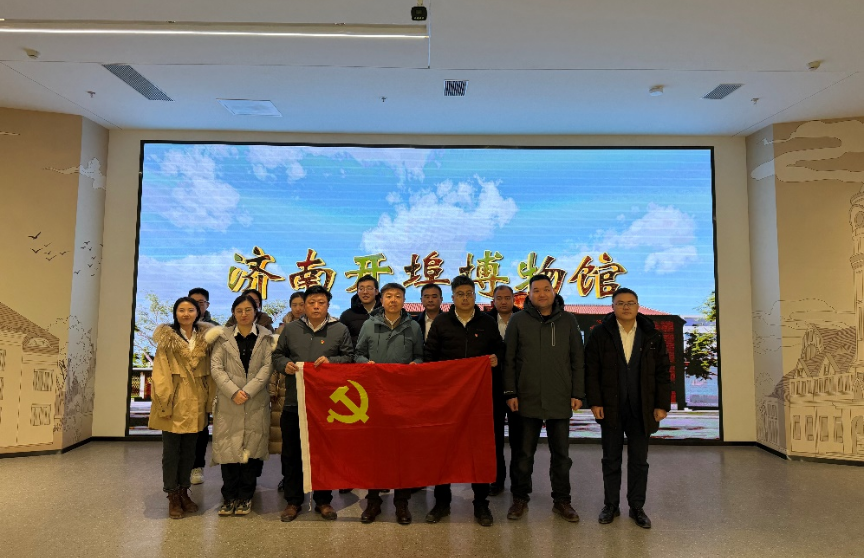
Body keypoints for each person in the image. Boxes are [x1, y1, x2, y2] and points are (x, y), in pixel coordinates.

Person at [584, 287, 671, 529]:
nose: (625, 307)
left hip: (642, 408)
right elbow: (591, 370)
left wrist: (661, 405)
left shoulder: (652, 334)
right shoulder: (600, 333)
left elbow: (663, 372)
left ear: (638, 306)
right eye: (620, 303)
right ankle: (610, 505)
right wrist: (595, 402)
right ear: (612, 307)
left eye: (630, 303)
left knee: (639, 461)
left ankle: (637, 507)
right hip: (611, 407)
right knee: (610, 459)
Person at [504, 275, 585, 523]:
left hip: (560, 397)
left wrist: (577, 392)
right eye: (536, 290)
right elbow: (509, 360)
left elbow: (577, 359)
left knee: (561, 456)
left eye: (546, 289)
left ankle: (562, 501)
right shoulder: (518, 320)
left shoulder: (568, 320)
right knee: (523, 454)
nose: (541, 294)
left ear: (554, 291)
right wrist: (510, 392)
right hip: (526, 398)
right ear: (529, 295)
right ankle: (520, 498)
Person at [423, 275, 502, 527]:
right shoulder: (441, 322)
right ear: (453, 297)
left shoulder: (487, 322)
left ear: (475, 296)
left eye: (469, 294)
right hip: (447, 399)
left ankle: (481, 503)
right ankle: (441, 502)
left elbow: (500, 349)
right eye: (460, 294)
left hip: (479, 398)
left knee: (479, 449)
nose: (465, 298)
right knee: (444, 449)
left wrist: (496, 359)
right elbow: (429, 356)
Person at [271, 285, 354, 522]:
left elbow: (349, 357)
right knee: (291, 454)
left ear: (328, 305)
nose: (316, 307)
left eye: (321, 302)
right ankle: (293, 501)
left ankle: (323, 500)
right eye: (311, 302)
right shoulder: (291, 329)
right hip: (294, 402)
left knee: (323, 453)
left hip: (326, 404)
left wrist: (332, 362)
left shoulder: (340, 329)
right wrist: (284, 365)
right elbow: (277, 355)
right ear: (304, 305)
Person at [354, 283, 424, 525]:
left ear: (404, 300)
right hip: (375, 396)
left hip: (403, 396)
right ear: (381, 299)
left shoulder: (413, 327)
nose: (393, 300)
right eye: (388, 296)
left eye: (397, 296)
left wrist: (416, 364)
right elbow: (357, 354)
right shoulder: (369, 325)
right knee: (375, 450)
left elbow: (420, 356)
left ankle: (401, 502)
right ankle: (373, 501)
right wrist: (366, 364)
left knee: (402, 450)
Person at [148, 296, 219, 519]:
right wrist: (165, 402)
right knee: (171, 452)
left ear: (198, 312)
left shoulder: (205, 339)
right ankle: (172, 495)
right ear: (175, 313)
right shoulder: (167, 340)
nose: (186, 314)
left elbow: (211, 374)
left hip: (197, 401)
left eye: (190, 310)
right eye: (181, 310)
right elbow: (160, 373)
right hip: (175, 400)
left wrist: (211, 402)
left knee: (190, 451)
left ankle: (183, 491)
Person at [209, 294, 276, 516]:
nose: (244, 314)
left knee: (251, 449)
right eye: (239, 310)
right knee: (228, 449)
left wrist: (247, 392)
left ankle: (246, 496)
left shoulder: (266, 337)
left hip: (255, 401)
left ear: (256, 312)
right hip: (229, 402)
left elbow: (267, 368)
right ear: (233, 313)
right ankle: (229, 497)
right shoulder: (222, 337)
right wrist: (233, 391)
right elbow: (216, 367)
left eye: (248, 310)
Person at [486, 284, 522, 497]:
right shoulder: (486, 321)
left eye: (507, 298)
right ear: (493, 301)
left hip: (518, 388)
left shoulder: (523, 319)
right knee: (494, 438)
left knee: (518, 438)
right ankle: (496, 480)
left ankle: (519, 483)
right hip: (492, 387)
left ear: (513, 299)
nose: (503, 302)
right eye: (499, 298)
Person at [269, 291, 305, 493]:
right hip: (284, 386)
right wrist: (272, 386)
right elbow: (274, 361)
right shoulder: (282, 329)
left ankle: (307, 477)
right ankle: (288, 478)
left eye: (302, 304)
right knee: (286, 440)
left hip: (308, 387)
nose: (299, 308)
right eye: (295, 304)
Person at [187, 287, 217, 485]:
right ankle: (182, 466)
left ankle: (197, 466)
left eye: (201, 302)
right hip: (182, 385)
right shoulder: (177, 328)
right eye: (193, 302)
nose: (197, 306)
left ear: (207, 305)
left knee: (201, 427)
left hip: (204, 384)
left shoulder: (214, 330)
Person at [339, 274, 381, 346]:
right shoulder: (347, 315)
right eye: (361, 289)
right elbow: (341, 342)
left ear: (376, 291)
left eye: (369, 288)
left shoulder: (386, 313)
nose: (365, 292)